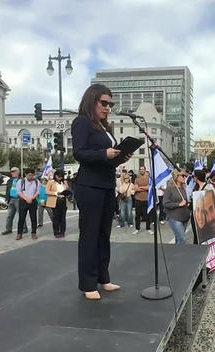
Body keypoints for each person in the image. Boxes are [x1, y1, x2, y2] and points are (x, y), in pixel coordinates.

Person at [72, 83, 132, 300]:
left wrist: (119, 157)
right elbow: (79, 153)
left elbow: (107, 159)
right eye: (104, 103)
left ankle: (103, 277)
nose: (108, 107)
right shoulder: (82, 122)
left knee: (104, 235)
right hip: (89, 186)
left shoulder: (106, 128)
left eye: (111, 104)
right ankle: (88, 283)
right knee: (89, 235)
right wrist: (104, 154)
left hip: (107, 185)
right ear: (92, 100)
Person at [164, 169, 190, 244]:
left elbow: (186, 200)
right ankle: (180, 255)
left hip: (185, 217)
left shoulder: (184, 187)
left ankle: (175, 254)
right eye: (183, 176)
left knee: (178, 239)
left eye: (185, 176)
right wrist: (178, 204)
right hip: (175, 218)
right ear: (176, 176)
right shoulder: (170, 188)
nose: (185, 177)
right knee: (182, 239)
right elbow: (165, 203)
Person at [16, 169, 41, 241]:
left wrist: (32, 198)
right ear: (25, 174)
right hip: (23, 201)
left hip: (33, 201)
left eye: (32, 175)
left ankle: (33, 232)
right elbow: (19, 192)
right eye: (29, 175)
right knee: (21, 218)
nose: (31, 177)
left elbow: (37, 192)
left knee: (33, 218)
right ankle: (19, 233)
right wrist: (26, 199)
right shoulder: (20, 182)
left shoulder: (37, 182)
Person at [2, 167, 27, 235]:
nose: (12, 173)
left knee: (21, 215)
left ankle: (24, 228)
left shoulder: (22, 180)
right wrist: (7, 198)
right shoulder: (10, 180)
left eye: (14, 171)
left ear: (18, 172)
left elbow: (25, 189)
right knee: (9, 215)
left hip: (19, 199)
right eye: (11, 172)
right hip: (11, 199)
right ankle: (8, 229)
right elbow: (7, 190)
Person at [46, 170, 69, 238]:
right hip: (55, 201)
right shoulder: (51, 182)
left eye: (61, 177)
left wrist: (66, 191)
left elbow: (67, 189)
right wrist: (55, 193)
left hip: (63, 200)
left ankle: (62, 232)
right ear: (55, 176)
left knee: (63, 217)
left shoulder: (64, 182)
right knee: (56, 217)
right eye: (59, 176)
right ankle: (56, 232)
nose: (60, 178)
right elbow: (47, 191)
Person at [133, 166, 152, 235]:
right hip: (138, 199)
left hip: (146, 199)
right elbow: (136, 189)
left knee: (147, 215)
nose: (142, 171)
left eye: (143, 169)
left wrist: (140, 187)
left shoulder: (149, 179)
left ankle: (148, 228)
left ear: (145, 170)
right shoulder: (137, 179)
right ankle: (137, 229)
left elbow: (149, 188)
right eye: (140, 169)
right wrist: (144, 188)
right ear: (139, 170)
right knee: (137, 215)